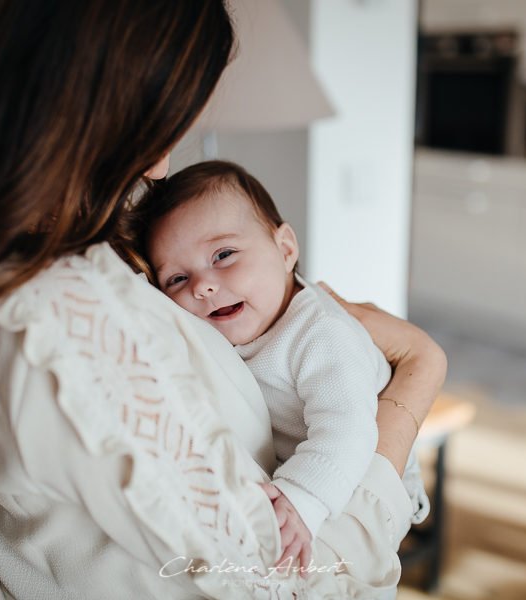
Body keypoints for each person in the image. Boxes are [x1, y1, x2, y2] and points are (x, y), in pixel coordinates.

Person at [0, 1, 447, 599]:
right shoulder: (60, 323)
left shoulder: (31, 273)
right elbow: (283, 586)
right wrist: (418, 374)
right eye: (152, 122)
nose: (161, 164)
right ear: (67, 104)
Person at [131, 160, 431, 568]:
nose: (203, 285)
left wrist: (301, 498)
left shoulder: (319, 333)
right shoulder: (223, 333)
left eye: (223, 254)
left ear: (285, 249)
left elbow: (349, 429)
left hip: (357, 471)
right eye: (177, 280)